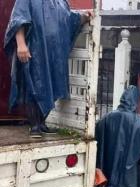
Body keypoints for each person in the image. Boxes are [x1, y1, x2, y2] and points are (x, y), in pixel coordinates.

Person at [4, 0, 91, 138]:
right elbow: (18, 18)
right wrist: (21, 44)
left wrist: (83, 17)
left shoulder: (61, 2)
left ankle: (42, 123)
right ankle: (34, 126)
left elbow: (69, 19)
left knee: (53, 86)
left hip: (55, 54)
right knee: (33, 87)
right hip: (36, 50)